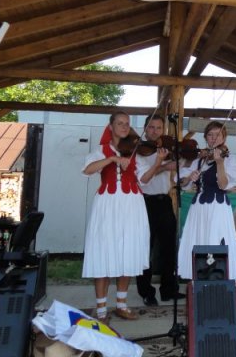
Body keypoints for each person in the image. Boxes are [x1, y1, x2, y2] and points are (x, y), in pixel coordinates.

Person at [82, 111, 149, 322]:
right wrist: (112, 158)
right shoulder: (101, 150)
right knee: (103, 251)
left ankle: (121, 304)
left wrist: (158, 163)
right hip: (108, 205)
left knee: (127, 252)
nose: (124, 127)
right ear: (110, 126)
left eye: (127, 123)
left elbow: (144, 179)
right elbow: (87, 170)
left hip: (132, 205)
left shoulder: (135, 152)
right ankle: (101, 310)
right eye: (119, 123)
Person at [177, 121, 236, 281]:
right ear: (205, 137)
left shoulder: (229, 160)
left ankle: (217, 277)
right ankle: (200, 277)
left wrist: (220, 163)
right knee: (199, 240)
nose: (214, 138)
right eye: (210, 135)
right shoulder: (199, 160)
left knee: (216, 240)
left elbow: (223, 185)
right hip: (199, 208)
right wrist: (189, 178)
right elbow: (182, 184)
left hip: (218, 207)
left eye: (218, 135)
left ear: (224, 138)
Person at [134, 114, 184, 306]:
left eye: (158, 128)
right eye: (151, 127)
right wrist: (162, 167)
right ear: (145, 129)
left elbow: (180, 169)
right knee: (145, 248)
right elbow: (144, 179)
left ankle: (168, 289)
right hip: (145, 203)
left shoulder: (166, 149)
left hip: (165, 201)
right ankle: (146, 291)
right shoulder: (138, 151)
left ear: (163, 130)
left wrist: (181, 161)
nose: (155, 131)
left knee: (169, 248)